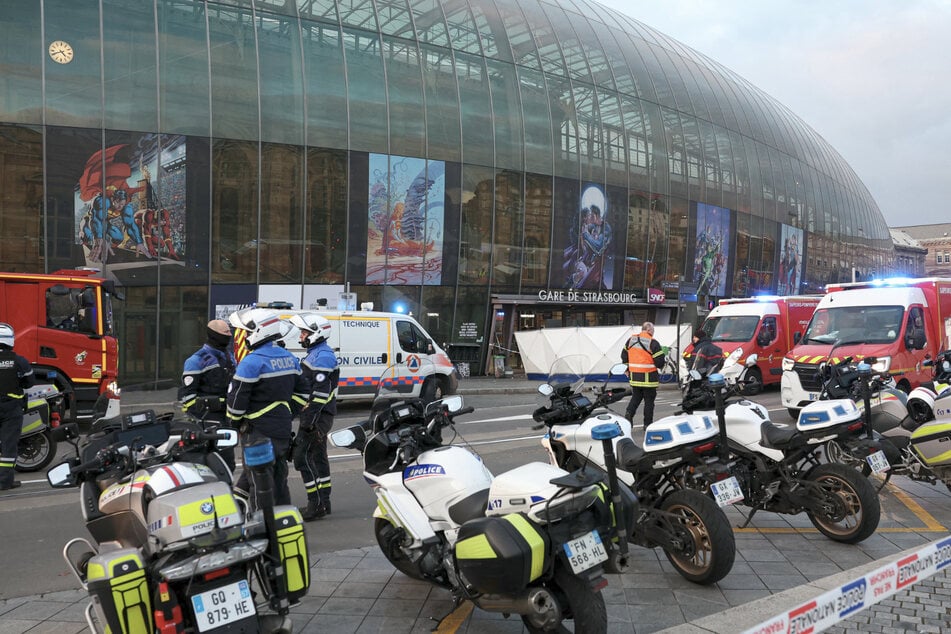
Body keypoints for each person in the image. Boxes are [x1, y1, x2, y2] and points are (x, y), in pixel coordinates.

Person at [227, 308, 308, 508]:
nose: (245, 336)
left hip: (257, 433)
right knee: (280, 482)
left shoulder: (251, 362)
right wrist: (289, 412)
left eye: (247, 332)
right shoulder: (289, 358)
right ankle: (284, 524)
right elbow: (304, 392)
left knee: (259, 483)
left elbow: (236, 402)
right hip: (282, 430)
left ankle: (263, 528)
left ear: (259, 331)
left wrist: (234, 423)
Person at [286, 312, 339, 521]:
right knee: (318, 456)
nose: (301, 337)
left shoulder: (323, 356)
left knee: (301, 458)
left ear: (316, 333)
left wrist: (309, 421)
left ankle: (315, 504)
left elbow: (320, 393)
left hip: (317, 415)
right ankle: (324, 502)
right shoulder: (316, 353)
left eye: (304, 332)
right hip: (318, 414)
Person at [180, 319, 237, 469]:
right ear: (214, 334)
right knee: (208, 464)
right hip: (207, 421)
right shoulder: (196, 360)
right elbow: (188, 398)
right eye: (226, 332)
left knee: (227, 464)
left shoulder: (229, 357)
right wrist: (202, 416)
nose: (230, 335)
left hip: (226, 418)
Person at [0, 323, 35, 491]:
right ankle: (5, 482)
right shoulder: (19, 361)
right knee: (9, 446)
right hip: (11, 409)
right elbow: (29, 383)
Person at [621, 321, 665, 427]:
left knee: (636, 398)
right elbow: (659, 362)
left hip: (635, 377)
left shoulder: (631, 340)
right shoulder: (652, 342)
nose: (653, 332)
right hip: (648, 378)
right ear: (649, 330)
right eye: (653, 330)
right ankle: (647, 425)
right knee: (649, 402)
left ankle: (629, 414)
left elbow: (624, 355)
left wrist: (627, 368)